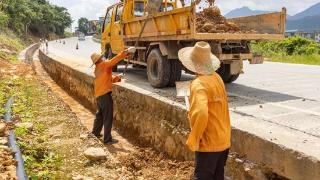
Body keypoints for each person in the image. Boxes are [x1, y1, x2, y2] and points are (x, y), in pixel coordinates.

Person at [178, 41, 231, 180]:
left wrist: (194, 138)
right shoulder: (217, 78)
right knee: (218, 176)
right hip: (224, 141)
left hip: (209, 144)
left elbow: (201, 114)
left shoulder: (198, 85)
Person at [90, 50, 131, 144]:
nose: (103, 57)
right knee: (107, 117)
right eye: (102, 57)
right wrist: (125, 53)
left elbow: (109, 80)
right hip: (105, 95)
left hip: (99, 95)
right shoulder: (103, 65)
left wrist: (118, 77)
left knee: (99, 115)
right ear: (99, 59)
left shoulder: (98, 69)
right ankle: (107, 139)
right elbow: (114, 60)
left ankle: (95, 133)